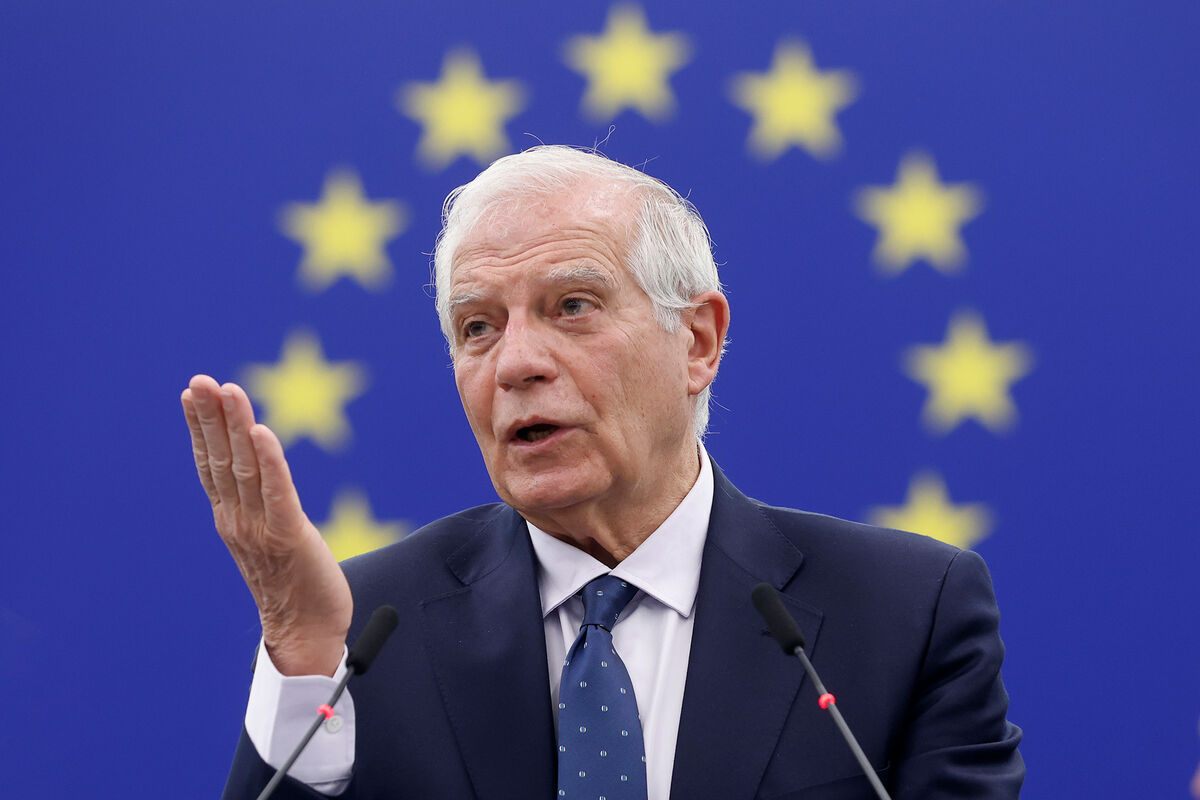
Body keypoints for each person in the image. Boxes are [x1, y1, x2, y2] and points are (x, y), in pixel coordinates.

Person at [182, 146, 1024, 799]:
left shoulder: (904, 614)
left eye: (571, 307)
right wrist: (301, 654)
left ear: (697, 342)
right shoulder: (363, 632)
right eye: (477, 327)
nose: (515, 363)